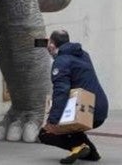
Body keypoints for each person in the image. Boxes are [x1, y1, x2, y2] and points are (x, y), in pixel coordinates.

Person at [39, 30, 108, 164]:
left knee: (45, 134)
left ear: (52, 45)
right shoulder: (83, 54)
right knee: (71, 127)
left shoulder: (61, 61)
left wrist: (52, 121)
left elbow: (61, 92)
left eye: (49, 45)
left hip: (85, 113)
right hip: (99, 108)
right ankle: (90, 153)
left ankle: (79, 147)